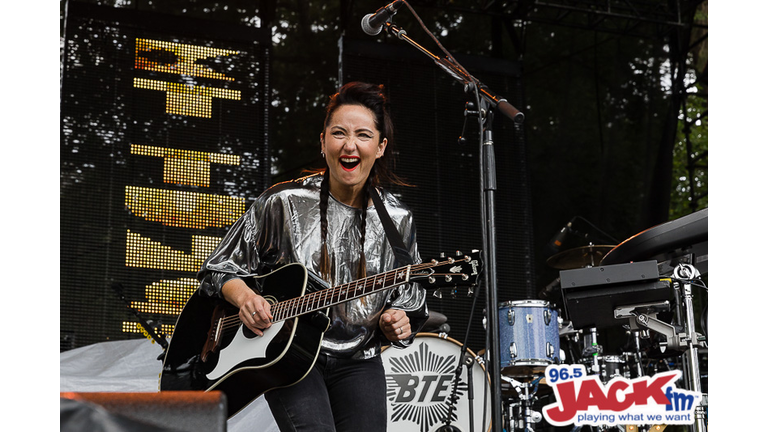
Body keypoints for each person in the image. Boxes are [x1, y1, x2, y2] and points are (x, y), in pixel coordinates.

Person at [196, 81, 429, 431]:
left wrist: (398, 317)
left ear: (380, 147)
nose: (350, 145)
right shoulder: (282, 202)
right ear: (323, 142)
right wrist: (245, 297)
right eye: (339, 133)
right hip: (289, 354)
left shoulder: (398, 220)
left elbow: (409, 295)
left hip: (360, 360)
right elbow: (219, 268)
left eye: (363, 135)